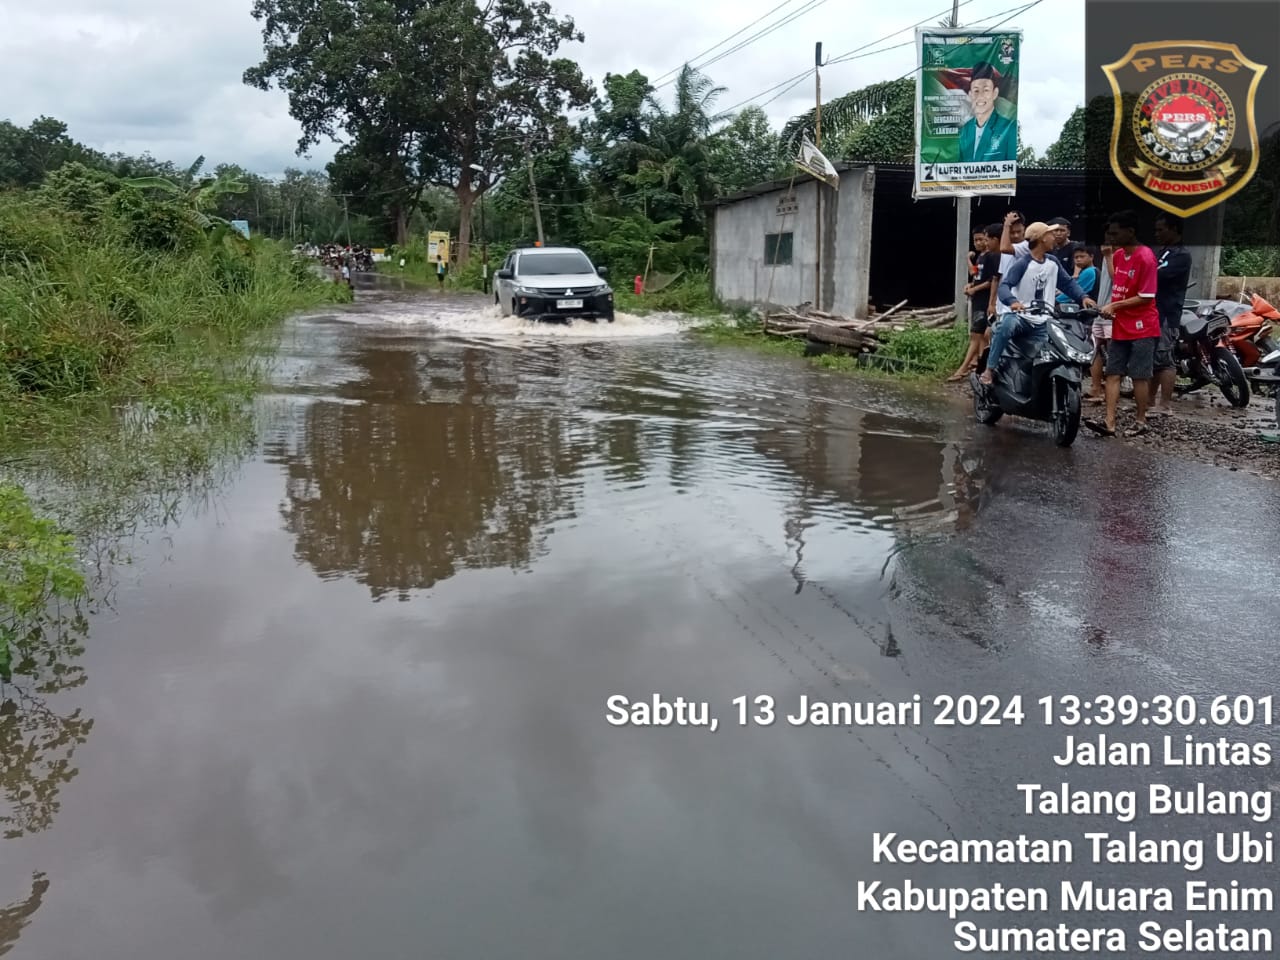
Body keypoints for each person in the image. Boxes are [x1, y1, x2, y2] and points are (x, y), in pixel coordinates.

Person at [979, 222, 1095, 386]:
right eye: (1050, 234)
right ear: (1041, 239)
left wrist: (1083, 297)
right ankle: (989, 369)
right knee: (1005, 327)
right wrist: (1013, 302)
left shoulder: (1053, 262)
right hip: (1021, 316)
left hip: (1044, 320)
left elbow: (1068, 284)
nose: (1053, 237)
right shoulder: (1023, 263)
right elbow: (1004, 286)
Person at [1085, 210, 1160, 438]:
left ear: (1131, 232)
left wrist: (1115, 307)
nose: (1112, 237)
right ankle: (1109, 421)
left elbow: (1146, 296)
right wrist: (1108, 257)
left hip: (1142, 326)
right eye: (1110, 233)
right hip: (1120, 323)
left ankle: (1140, 419)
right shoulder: (1118, 255)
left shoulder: (1146, 257)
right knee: (1113, 372)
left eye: (1116, 233)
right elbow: (1117, 277)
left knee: (1139, 374)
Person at [950, 223, 1003, 381]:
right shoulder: (981, 257)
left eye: (983, 239)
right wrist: (970, 284)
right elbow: (975, 274)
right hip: (978, 299)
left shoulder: (993, 256)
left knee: (977, 334)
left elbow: (992, 280)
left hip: (986, 299)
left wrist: (976, 290)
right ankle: (978, 365)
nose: (980, 243)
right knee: (980, 335)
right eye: (977, 240)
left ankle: (963, 368)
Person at [1150, 214, 1192, 415]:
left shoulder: (1181, 255)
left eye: (1161, 229)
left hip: (1167, 313)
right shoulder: (1163, 252)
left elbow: (1157, 275)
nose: (1157, 234)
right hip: (1154, 313)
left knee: (1165, 359)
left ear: (1174, 229)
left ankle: (1164, 404)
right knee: (1153, 359)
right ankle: (1149, 402)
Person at [958, 62, 1016, 162]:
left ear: (995, 93)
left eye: (986, 90)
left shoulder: (1008, 128)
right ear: (970, 95)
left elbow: (1010, 168)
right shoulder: (965, 130)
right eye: (976, 91)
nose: (980, 96)